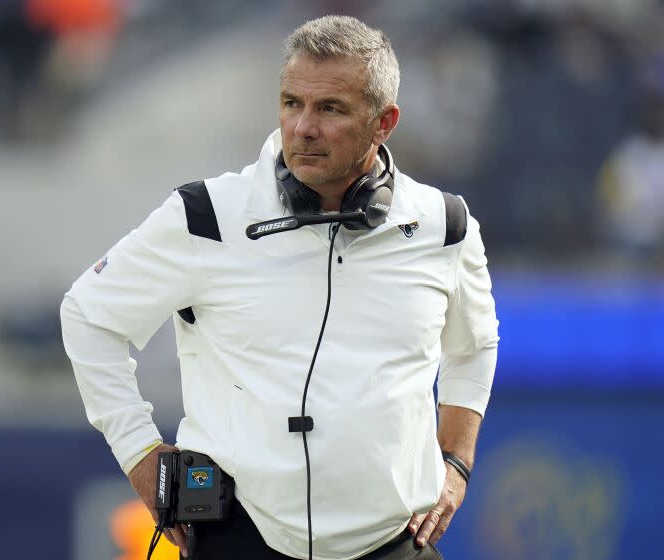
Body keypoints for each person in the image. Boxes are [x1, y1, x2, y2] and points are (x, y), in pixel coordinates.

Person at [61, 15, 499, 560]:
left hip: (394, 542)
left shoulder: (445, 224)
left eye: (330, 109)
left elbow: (474, 346)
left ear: (384, 122)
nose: (303, 127)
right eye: (292, 103)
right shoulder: (207, 215)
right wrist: (139, 453)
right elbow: (88, 315)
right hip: (239, 538)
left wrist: (455, 462)